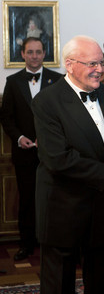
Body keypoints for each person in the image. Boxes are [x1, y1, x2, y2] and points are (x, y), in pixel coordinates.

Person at [31, 35, 104, 293]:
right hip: (62, 211)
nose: (100, 69)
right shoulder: (47, 101)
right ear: (70, 65)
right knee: (58, 284)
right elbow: (58, 159)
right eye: (92, 64)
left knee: (102, 280)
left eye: (101, 63)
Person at [0, 37, 62, 261]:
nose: (34, 56)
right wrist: (20, 138)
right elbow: (6, 117)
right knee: (26, 200)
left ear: (44, 53)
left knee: (55, 199)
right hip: (25, 153)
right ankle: (26, 244)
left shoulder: (58, 80)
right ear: (23, 54)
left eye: (38, 51)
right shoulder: (13, 81)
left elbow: (64, 116)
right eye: (30, 52)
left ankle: (55, 245)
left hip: (54, 153)